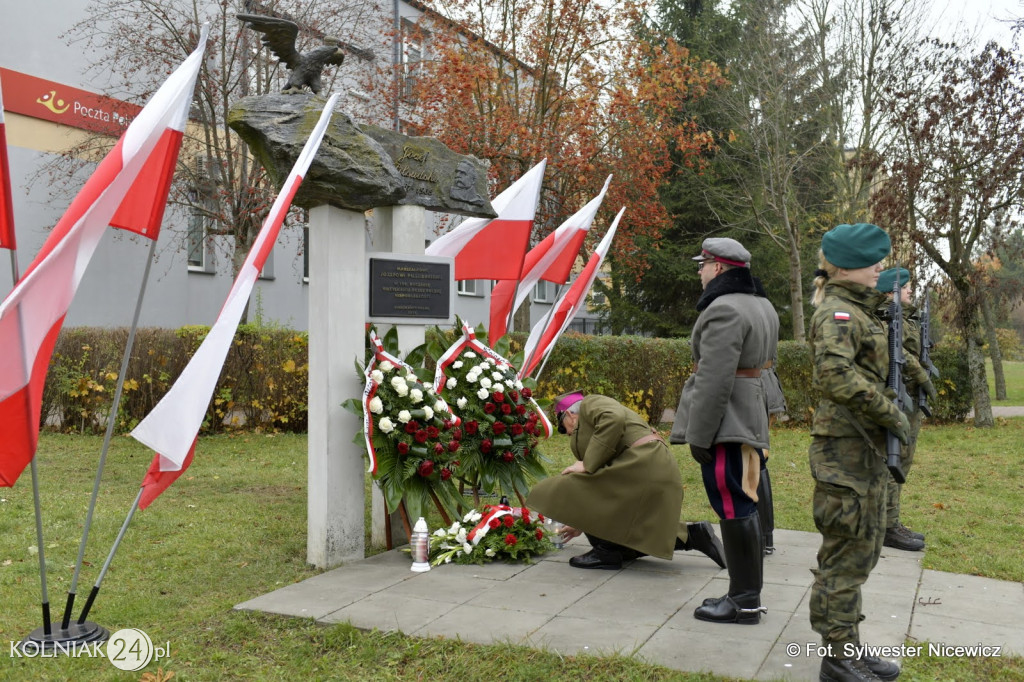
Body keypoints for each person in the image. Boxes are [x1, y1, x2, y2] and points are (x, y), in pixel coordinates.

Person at [807, 223, 908, 682]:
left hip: (860, 449)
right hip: (844, 453)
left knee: (862, 552)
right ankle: (837, 660)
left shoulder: (860, 310)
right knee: (844, 557)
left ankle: (850, 647)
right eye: (873, 262)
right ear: (847, 266)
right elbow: (833, 376)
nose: (880, 269)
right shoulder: (838, 314)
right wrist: (889, 412)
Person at [669, 237, 778, 625]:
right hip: (747, 415)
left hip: (727, 421)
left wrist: (699, 435)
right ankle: (744, 596)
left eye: (703, 264)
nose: (699, 270)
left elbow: (714, 381)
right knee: (742, 498)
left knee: (733, 504)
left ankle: (745, 601)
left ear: (718, 268)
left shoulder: (724, 308)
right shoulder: (760, 304)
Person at [526, 392, 726, 571]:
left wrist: (587, 463)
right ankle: (694, 536)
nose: (567, 433)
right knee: (632, 539)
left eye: (563, 428)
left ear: (569, 414)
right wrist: (581, 521)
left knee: (561, 486)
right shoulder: (593, 425)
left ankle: (606, 552)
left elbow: (613, 418)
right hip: (643, 467)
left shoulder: (591, 403)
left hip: (644, 464)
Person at [876, 267, 937, 552]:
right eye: (907, 286)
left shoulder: (905, 317)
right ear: (892, 291)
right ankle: (887, 525)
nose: (912, 290)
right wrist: (922, 375)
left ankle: (892, 520)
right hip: (898, 395)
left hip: (908, 395)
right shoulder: (889, 317)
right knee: (894, 459)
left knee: (903, 460)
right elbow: (899, 353)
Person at [754, 277, 787, 556]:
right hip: (768, 386)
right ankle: (765, 535)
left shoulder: (754, 313)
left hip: (758, 388)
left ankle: (763, 534)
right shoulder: (768, 311)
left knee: (757, 461)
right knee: (758, 461)